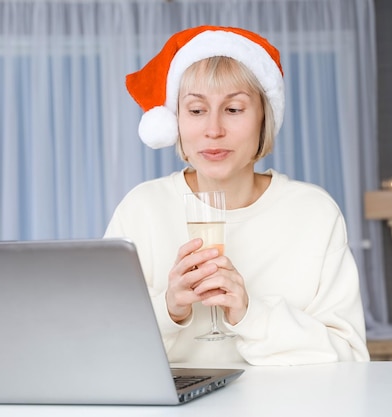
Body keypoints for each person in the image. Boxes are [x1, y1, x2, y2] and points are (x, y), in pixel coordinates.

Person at [104, 25, 370, 366]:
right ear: (177, 122)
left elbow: (351, 358)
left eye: (233, 109)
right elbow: (103, 348)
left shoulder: (314, 212)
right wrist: (169, 309)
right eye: (197, 111)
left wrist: (249, 313)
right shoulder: (142, 208)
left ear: (264, 119)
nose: (213, 130)